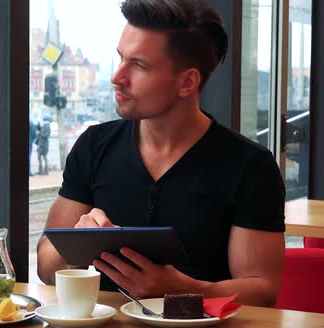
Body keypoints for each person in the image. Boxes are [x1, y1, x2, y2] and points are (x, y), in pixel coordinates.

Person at [37, 0, 285, 307]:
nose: (117, 77)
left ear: (187, 82)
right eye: (121, 58)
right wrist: (77, 246)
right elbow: (45, 266)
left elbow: (262, 290)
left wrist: (183, 288)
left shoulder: (250, 166)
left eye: (139, 65)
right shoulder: (93, 145)